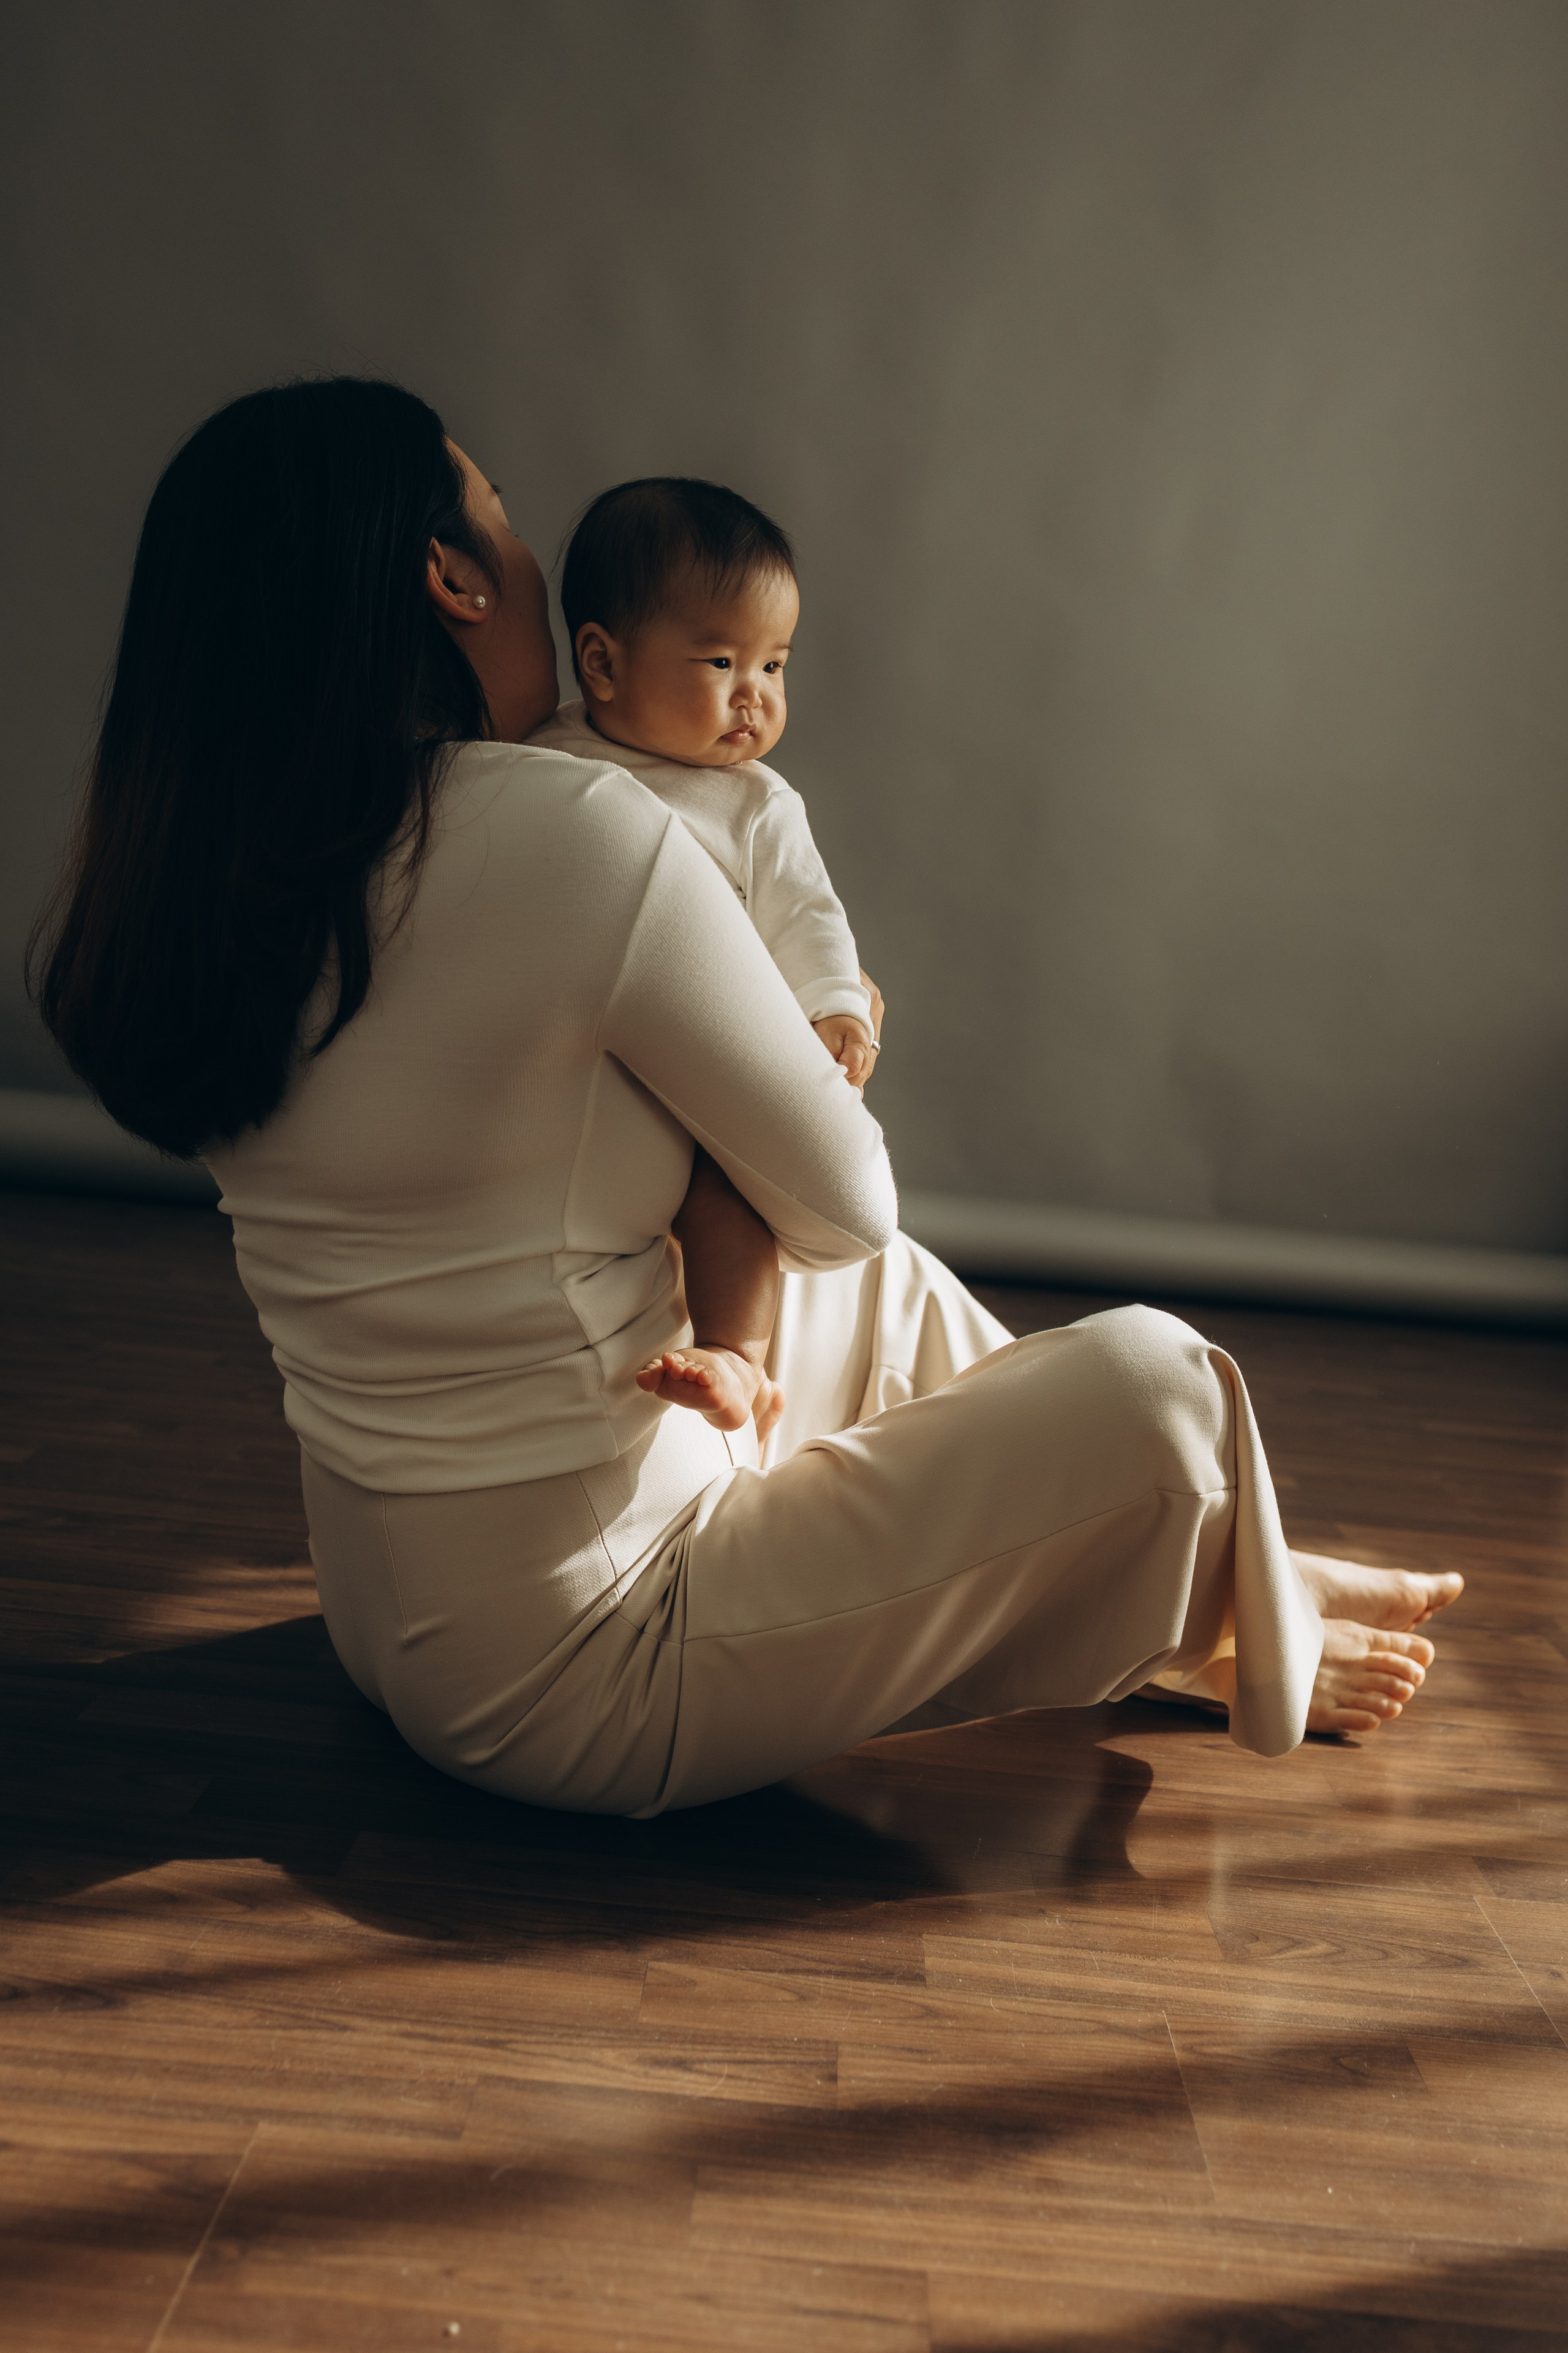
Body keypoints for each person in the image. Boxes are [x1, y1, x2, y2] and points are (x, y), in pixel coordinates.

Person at [31, 377, 1461, 1821]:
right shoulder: (569, 826)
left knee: (866, 1298)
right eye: (502, 517)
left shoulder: (206, 883)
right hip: (589, 1668)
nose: (527, 552)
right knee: (1161, 1391)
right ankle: (1217, 1589)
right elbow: (842, 1198)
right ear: (448, 578)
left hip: (388, 1617)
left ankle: (1224, 1574)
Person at [531, 476, 875, 1445]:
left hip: (706, 1069)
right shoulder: (541, 761)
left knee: (724, 1197)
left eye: (775, 666)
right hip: (587, 1067)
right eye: (723, 660)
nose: (755, 697)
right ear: (602, 662)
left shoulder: (756, 806)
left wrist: (836, 1005)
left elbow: (810, 917)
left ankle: (738, 1358)